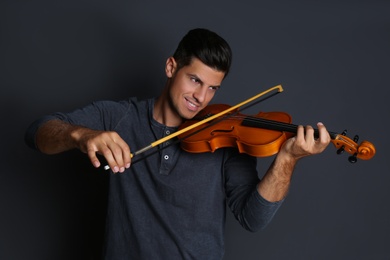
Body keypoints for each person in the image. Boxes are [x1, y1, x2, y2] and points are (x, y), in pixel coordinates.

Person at [25, 28, 330, 259]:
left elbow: (252, 218)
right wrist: (82, 135)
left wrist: (287, 159)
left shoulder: (224, 134)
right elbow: (39, 133)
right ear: (171, 68)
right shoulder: (119, 117)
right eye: (195, 80)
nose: (202, 97)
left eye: (213, 88)